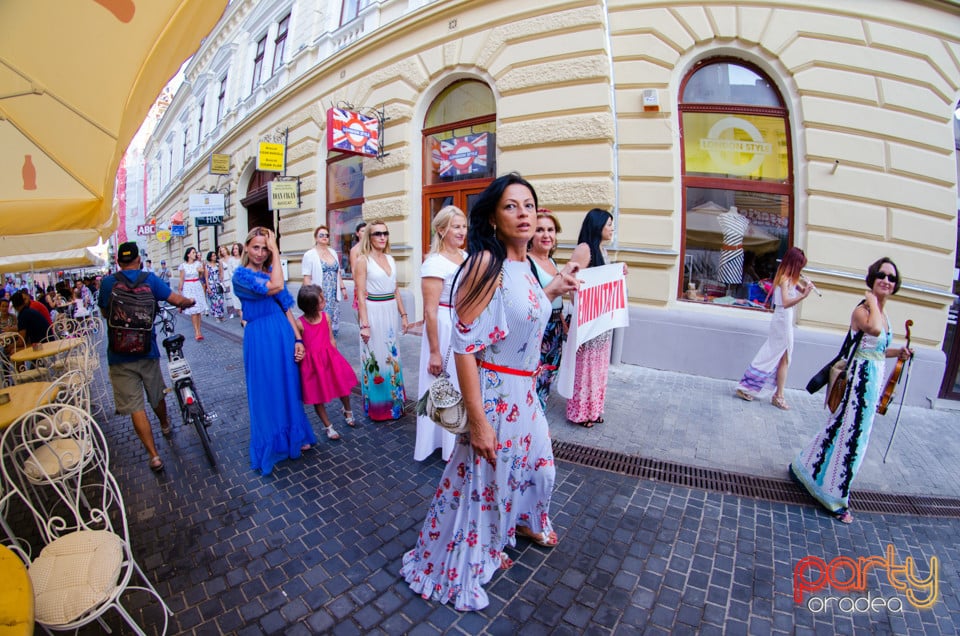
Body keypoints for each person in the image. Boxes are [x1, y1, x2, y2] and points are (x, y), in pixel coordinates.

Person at [400, 173, 580, 611]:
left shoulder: (528, 265)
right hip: (495, 393)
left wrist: (556, 286)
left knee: (537, 472)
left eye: (529, 205)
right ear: (494, 219)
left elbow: (524, 306)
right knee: (482, 485)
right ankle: (465, 556)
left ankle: (513, 529)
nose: (523, 214)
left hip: (526, 393)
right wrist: (478, 421)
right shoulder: (484, 263)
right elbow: (465, 345)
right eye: (511, 206)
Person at [790, 257, 912, 524]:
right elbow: (874, 329)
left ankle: (804, 469)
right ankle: (835, 498)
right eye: (881, 275)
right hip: (860, 381)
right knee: (854, 437)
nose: (886, 280)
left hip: (872, 380)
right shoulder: (864, 310)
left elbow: (878, 348)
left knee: (838, 428)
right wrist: (870, 297)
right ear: (872, 277)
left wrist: (898, 352)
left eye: (891, 278)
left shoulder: (882, 313)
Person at [98, 242, 195, 472]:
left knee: (135, 406)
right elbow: (175, 299)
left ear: (118, 262)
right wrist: (189, 301)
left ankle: (154, 456)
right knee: (156, 394)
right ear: (139, 261)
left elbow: (104, 312)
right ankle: (164, 424)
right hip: (146, 350)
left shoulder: (108, 283)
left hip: (119, 355)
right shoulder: (149, 280)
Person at [232, 227, 317, 475]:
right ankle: (274, 442)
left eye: (265, 248)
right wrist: (277, 251)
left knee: (289, 386)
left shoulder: (270, 270)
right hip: (260, 338)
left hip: (282, 333)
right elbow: (277, 285)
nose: (260, 253)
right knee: (266, 389)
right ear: (246, 247)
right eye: (256, 247)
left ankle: (294, 437)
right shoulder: (241, 276)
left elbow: (287, 308)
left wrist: (299, 339)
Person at [414, 205, 467, 462]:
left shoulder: (466, 256)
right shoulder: (434, 262)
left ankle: (457, 436)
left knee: (460, 384)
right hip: (444, 327)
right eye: (456, 226)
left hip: (463, 323)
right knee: (440, 383)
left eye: (464, 226)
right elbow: (430, 311)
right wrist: (434, 352)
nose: (461, 231)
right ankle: (437, 442)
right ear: (441, 229)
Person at [735, 247, 815, 409]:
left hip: (784, 320)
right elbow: (785, 302)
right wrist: (803, 295)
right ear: (794, 264)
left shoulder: (789, 278)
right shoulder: (785, 279)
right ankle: (770, 393)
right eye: (800, 266)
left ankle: (775, 393)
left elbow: (797, 288)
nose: (801, 270)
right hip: (782, 320)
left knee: (783, 357)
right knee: (774, 355)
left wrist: (805, 286)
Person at [565, 208, 623, 428]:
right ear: (598, 226)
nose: (612, 228)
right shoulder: (584, 249)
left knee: (598, 367)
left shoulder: (601, 249)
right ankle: (580, 412)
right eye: (609, 224)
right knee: (586, 367)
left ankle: (595, 409)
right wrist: (582, 307)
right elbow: (570, 281)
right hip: (588, 320)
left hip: (601, 320)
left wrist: (620, 271)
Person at [355, 221, 408, 421]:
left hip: (390, 311)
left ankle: (394, 404)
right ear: (369, 236)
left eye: (385, 233)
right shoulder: (363, 260)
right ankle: (378, 408)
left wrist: (403, 315)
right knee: (375, 360)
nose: (382, 237)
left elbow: (396, 290)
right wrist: (365, 325)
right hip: (373, 312)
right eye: (377, 233)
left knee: (392, 358)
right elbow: (360, 294)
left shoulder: (391, 259)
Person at [296, 284, 357, 440]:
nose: (324, 301)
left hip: (330, 358)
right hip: (313, 365)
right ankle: (328, 426)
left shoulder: (326, 317)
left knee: (342, 386)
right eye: (321, 300)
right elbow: (299, 344)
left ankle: (347, 410)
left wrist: (336, 358)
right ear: (311, 306)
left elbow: (331, 339)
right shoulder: (300, 324)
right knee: (318, 395)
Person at [528, 209, 567, 409]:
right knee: (534, 379)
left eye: (551, 230)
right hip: (538, 330)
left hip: (555, 329)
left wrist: (562, 323)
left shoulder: (551, 261)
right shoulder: (527, 262)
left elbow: (555, 300)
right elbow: (531, 300)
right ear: (530, 235)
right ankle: (531, 420)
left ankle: (538, 416)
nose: (546, 235)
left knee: (548, 377)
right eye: (540, 230)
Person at [302, 225, 347, 337]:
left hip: (333, 293)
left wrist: (343, 288)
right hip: (319, 293)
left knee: (331, 320)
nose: (324, 237)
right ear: (316, 238)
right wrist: (309, 295)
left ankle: (330, 340)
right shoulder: (309, 255)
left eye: (326, 235)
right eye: (321, 235)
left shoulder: (333, 252)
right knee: (319, 319)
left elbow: (338, 273)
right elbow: (307, 277)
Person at [178, 247, 209, 340]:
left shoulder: (198, 264)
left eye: (195, 252)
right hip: (188, 287)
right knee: (193, 310)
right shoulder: (183, 266)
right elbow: (181, 279)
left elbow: (201, 276)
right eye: (193, 252)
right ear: (188, 255)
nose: (195, 254)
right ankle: (196, 331)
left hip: (197, 285)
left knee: (198, 310)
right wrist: (180, 290)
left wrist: (201, 271)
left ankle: (199, 330)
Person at [348, 221, 367, 310]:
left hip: (373, 283)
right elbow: (353, 269)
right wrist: (358, 285)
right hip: (361, 283)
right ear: (357, 233)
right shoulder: (354, 250)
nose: (365, 232)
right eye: (363, 231)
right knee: (361, 308)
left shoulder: (373, 247)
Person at [204, 251, 226, 321]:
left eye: (215, 255)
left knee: (220, 300)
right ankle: (216, 316)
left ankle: (221, 315)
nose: (214, 257)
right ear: (210, 257)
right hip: (211, 285)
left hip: (218, 284)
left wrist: (222, 282)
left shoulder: (217, 264)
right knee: (214, 301)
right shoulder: (207, 266)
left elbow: (221, 273)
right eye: (213, 256)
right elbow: (206, 277)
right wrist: (208, 287)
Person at [217, 245, 237, 319]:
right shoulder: (221, 261)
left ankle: (237, 309)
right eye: (221, 251)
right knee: (228, 296)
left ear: (226, 250)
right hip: (226, 279)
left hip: (232, 277)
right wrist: (221, 281)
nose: (223, 252)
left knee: (235, 294)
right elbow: (221, 272)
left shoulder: (232, 258)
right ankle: (231, 311)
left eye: (224, 250)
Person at [227, 243, 244, 324]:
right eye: (233, 249)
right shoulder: (230, 260)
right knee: (236, 303)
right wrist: (236, 279)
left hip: (243, 283)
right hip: (234, 283)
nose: (234, 250)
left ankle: (244, 319)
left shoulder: (243, 259)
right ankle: (242, 319)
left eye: (236, 248)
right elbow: (230, 272)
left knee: (243, 302)